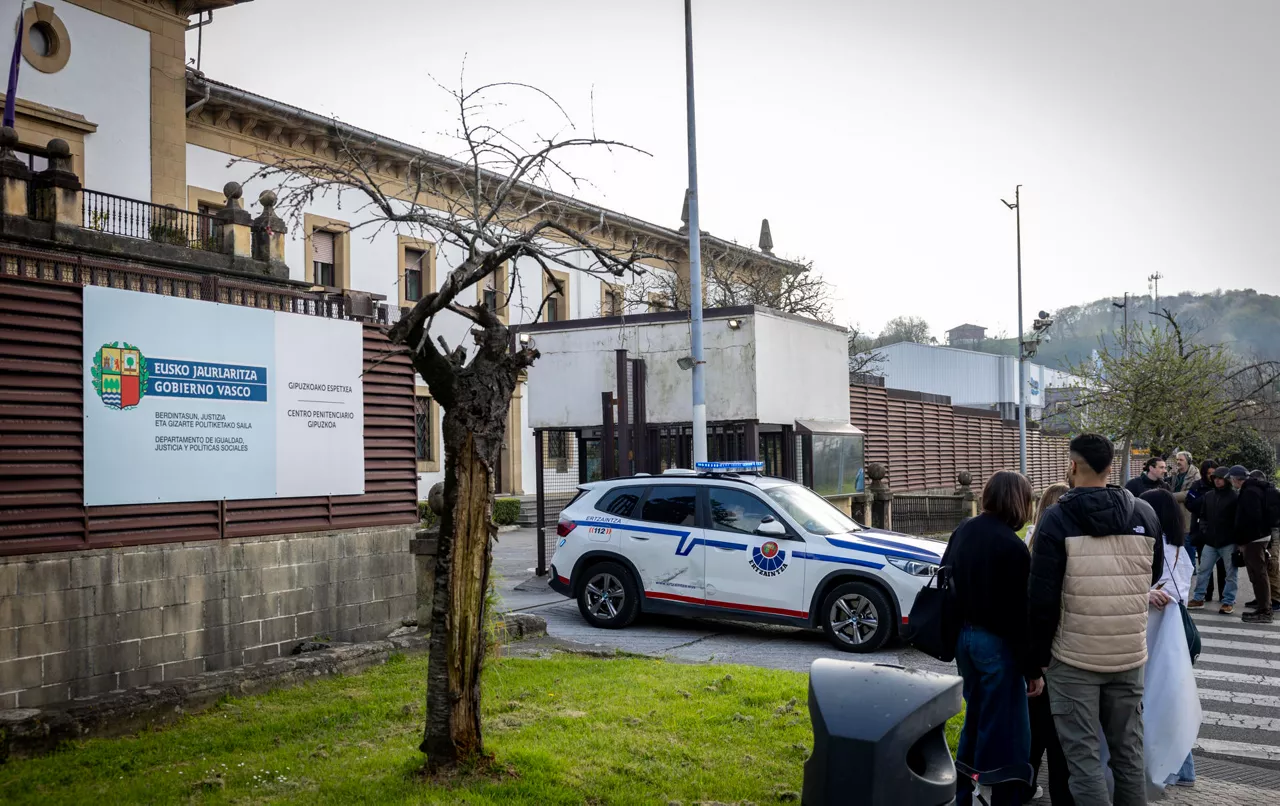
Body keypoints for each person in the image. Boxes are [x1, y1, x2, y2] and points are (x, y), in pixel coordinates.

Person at [1028, 433, 1163, 806]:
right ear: (1110, 466)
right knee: (1128, 754)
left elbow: (1041, 599)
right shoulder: (1144, 514)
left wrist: (1035, 662)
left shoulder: (1056, 519)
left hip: (1073, 658)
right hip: (1129, 654)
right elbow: (1150, 576)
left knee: (1083, 759)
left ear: (1072, 466)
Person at [944, 470, 1041, 805]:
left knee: (977, 716)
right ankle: (1001, 796)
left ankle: (964, 790)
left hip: (964, 639)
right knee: (1007, 729)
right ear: (1018, 502)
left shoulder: (963, 530)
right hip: (996, 643)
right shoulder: (1013, 548)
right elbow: (1019, 615)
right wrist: (1032, 669)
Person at [1141, 489, 1198, 787]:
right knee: (1171, 700)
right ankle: (1184, 770)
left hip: (1153, 635)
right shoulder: (1180, 549)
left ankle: (1159, 768)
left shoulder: (1153, 547)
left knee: (1150, 699)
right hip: (1175, 637)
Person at [1026, 482, 1074, 805]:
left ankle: (1024, 785)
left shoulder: (1030, 544)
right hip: (1063, 655)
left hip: (1037, 658)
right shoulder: (1073, 545)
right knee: (1061, 740)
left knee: (1032, 733)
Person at [1188, 467, 1239, 613]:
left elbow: (1238, 519)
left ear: (1227, 479)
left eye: (1220, 478)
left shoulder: (1234, 497)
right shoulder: (1209, 496)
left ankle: (1228, 601)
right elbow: (1202, 516)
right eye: (1215, 477)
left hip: (1228, 541)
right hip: (1211, 541)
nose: (1216, 480)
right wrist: (1204, 530)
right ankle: (1198, 598)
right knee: (1204, 570)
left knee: (1231, 573)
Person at [1233, 466, 1273, 623]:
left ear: (1236, 479)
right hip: (1259, 537)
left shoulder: (1249, 492)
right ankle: (1263, 607)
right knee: (1258, 574)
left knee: (1259, 574)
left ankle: (1265, 611)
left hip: (1254, 539)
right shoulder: (1254, 489)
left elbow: (1252, 517)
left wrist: (1242, 539)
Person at [1183, 460, 1221, 598]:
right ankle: (1206, 592)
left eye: (1214, 474)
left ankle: (1223, 595)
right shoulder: (1197, 486)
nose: (1212, 477)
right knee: (1205, 565)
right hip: (1202, 529)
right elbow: (1190, 504)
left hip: (1220, 531)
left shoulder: (1223, 486)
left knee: (1222, 565)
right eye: (1209, 474)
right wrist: (1206, 499)